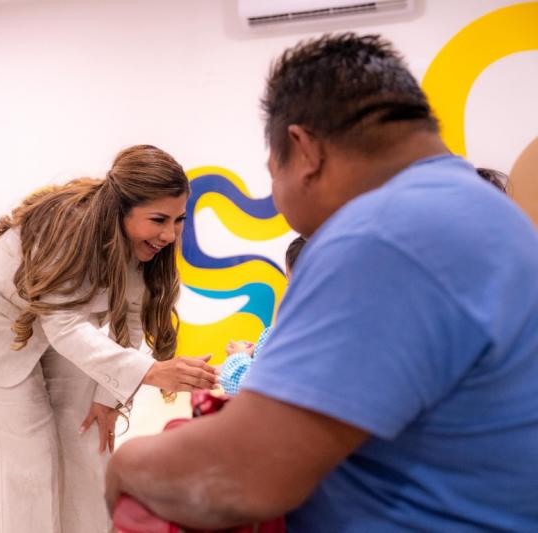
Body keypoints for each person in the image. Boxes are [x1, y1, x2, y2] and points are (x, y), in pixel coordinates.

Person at [106, 33, 538, 531]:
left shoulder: (381, 235)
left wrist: (126, 463)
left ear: (303, 149)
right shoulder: (483, 209)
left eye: (273, 174)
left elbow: (245, 472)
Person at [0, 144, 219, 533]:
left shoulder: (143, 245)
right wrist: (151, 372)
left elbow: (128, 321)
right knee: (29, 460)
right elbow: (65, 326)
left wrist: (108, 398)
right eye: (158, 219)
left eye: (178, 219)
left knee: (87, 439)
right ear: (120, 209)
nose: (169, 233)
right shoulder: (67, 227)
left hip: (59, 327)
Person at [219, 235, 307, 395]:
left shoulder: (301, 335)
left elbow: (251, 388)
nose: (288, 292)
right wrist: (256, 352)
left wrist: (238, 357)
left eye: (293, 284)